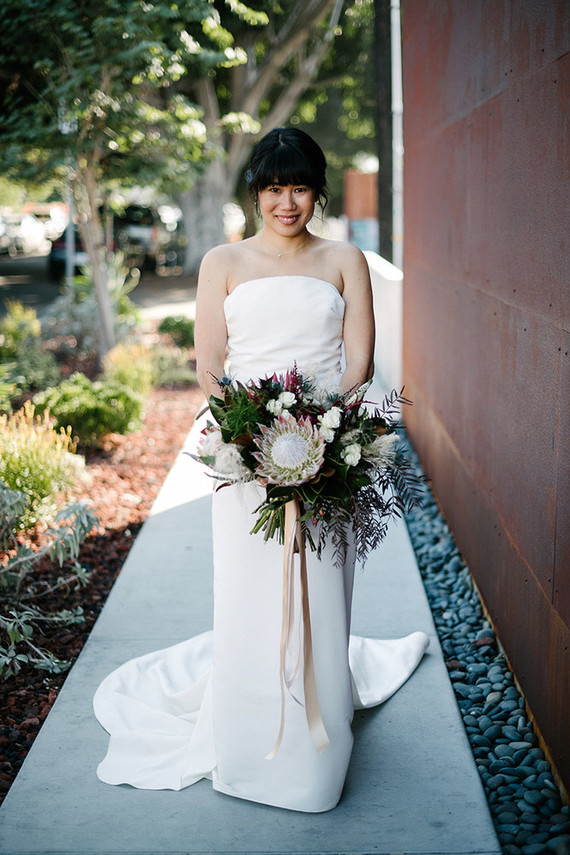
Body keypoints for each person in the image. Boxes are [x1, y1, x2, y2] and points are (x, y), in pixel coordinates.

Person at [93, 127, 428, 812]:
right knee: (250, 593)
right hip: (243, 457)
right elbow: (211, 364)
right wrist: (257, 437)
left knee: (322, 588)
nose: (287, 201)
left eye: (299, 186)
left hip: (328, 445)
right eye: (274, 188)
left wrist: (316, 432)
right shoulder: (222, 261)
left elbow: (357, 362)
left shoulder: (344, 259)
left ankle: (317, 741)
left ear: (317, 192)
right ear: (256, 193)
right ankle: (249, 739)